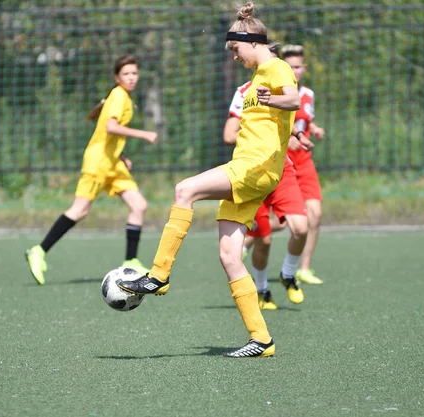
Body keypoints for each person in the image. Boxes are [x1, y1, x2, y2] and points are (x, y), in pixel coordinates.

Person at [118, 2, 299, 358]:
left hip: (255, 169)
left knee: (185, 188)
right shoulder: (253, 80)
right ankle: (261, 339)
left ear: (250, 41)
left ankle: (158, 274)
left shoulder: (274, 68)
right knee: (229, 255)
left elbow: (292, 98)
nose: (234, 57)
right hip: (248, 167)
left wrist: (275, 100)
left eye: (235, 49)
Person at [25, 54, 157, 285]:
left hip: (112, 163)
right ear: (117, 78)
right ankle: (39, 250)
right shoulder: (118, 96)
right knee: (79, 210)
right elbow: (111, 127)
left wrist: (122, 155)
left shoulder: (122, 96)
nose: (131, 78)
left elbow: (108, 133)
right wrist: (143, 133)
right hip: (98, 162)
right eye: (126, 74)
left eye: (134, 73)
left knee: (139, 205)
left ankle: (131, 261)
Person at [223, 70, 312, 310]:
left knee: (301, 227)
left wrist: (299, 135)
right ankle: (262, 290)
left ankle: (288, 273)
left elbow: (290, 121)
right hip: (253, 173)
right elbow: (229, 134)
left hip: (282, 169)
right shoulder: (244, 92)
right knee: (264, 240)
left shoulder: (281, 89)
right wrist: (260, 133)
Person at [280, 44, 326, 285]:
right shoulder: (276, 94)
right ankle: (247, 244)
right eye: (289, 67)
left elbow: (306, 120)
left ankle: (303, 269)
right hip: (282, 163)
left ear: (304, 69)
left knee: (315, 215)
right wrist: (288, 141)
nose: (294, 71)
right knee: (276, 224)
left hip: (305, 162)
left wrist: (315, 129)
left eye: (297, 67)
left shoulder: (308, 94)